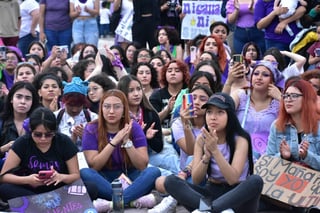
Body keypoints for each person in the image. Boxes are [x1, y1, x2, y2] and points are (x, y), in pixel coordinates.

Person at [162, 92, 263, 212]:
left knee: (256, 181)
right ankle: (210, 209)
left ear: (230, 115)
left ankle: (208, 209)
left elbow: (233, 179)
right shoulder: (202, 138)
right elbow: (196, 179)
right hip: (211, 192)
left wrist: (215, 151)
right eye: (209, 112)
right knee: (171, 181)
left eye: (220, 112)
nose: (213, 117)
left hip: (236, 196)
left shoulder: (240, 139)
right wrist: (206, 157)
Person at [80, 89, 161, 211]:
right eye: (107, 107)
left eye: (117, 107)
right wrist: (114, 142)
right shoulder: (91, 128)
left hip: (130, 176)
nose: (111, 111)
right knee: (85, 172)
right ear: (101, 109)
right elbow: (94, 165)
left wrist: (127, 142)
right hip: (104, 178)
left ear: (124, 110)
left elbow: (142, 165)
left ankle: (113, 203)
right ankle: (133, 200)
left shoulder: (133, 127)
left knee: (154, 171)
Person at [0, 107, 79, 201]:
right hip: (30, 190)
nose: (43, 139)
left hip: (59, 189)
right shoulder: (22, 143)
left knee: (89, 187)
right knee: (5, 189)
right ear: (31, 131)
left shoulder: (64, 142)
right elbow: (4, 177)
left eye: (48, 134)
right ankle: (45, 204)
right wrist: (27, 180)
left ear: (55, 132)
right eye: (38, 134)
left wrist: (61, 177)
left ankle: (41, 205)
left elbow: (75, 175)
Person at [265, 78, 320, 212]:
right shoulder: (277, 126)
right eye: (286, 96)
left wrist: (307, 156)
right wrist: (284, 157)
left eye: (294, 96)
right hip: (283, 188)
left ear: (306, 99)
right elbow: (268, 161)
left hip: (313, 191)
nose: (288, 99)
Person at [230, 60, 282, 161]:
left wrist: (281, 98)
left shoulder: (278, 103)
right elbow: (222, 107)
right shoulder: (241, 95)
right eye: (256, 73)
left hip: (266, 158)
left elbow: (295, 120)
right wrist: (229, 82)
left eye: (265, 75)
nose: (259, 77)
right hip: (238, 153)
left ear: (273, 81)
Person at [0, 82, 39, 169]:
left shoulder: (39, 123)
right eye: (19, 97)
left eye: (28, 98)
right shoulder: (2, 122)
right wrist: (3, 149)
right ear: (11, 99)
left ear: (33, 102)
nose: (23, 102)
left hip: (32, 171)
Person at [54, 77, 98, 148]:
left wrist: (87, 137)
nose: (75, 110)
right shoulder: (55, 117)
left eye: (78, 105)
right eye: (71, 105)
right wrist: (71, 141)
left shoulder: (93, 118)